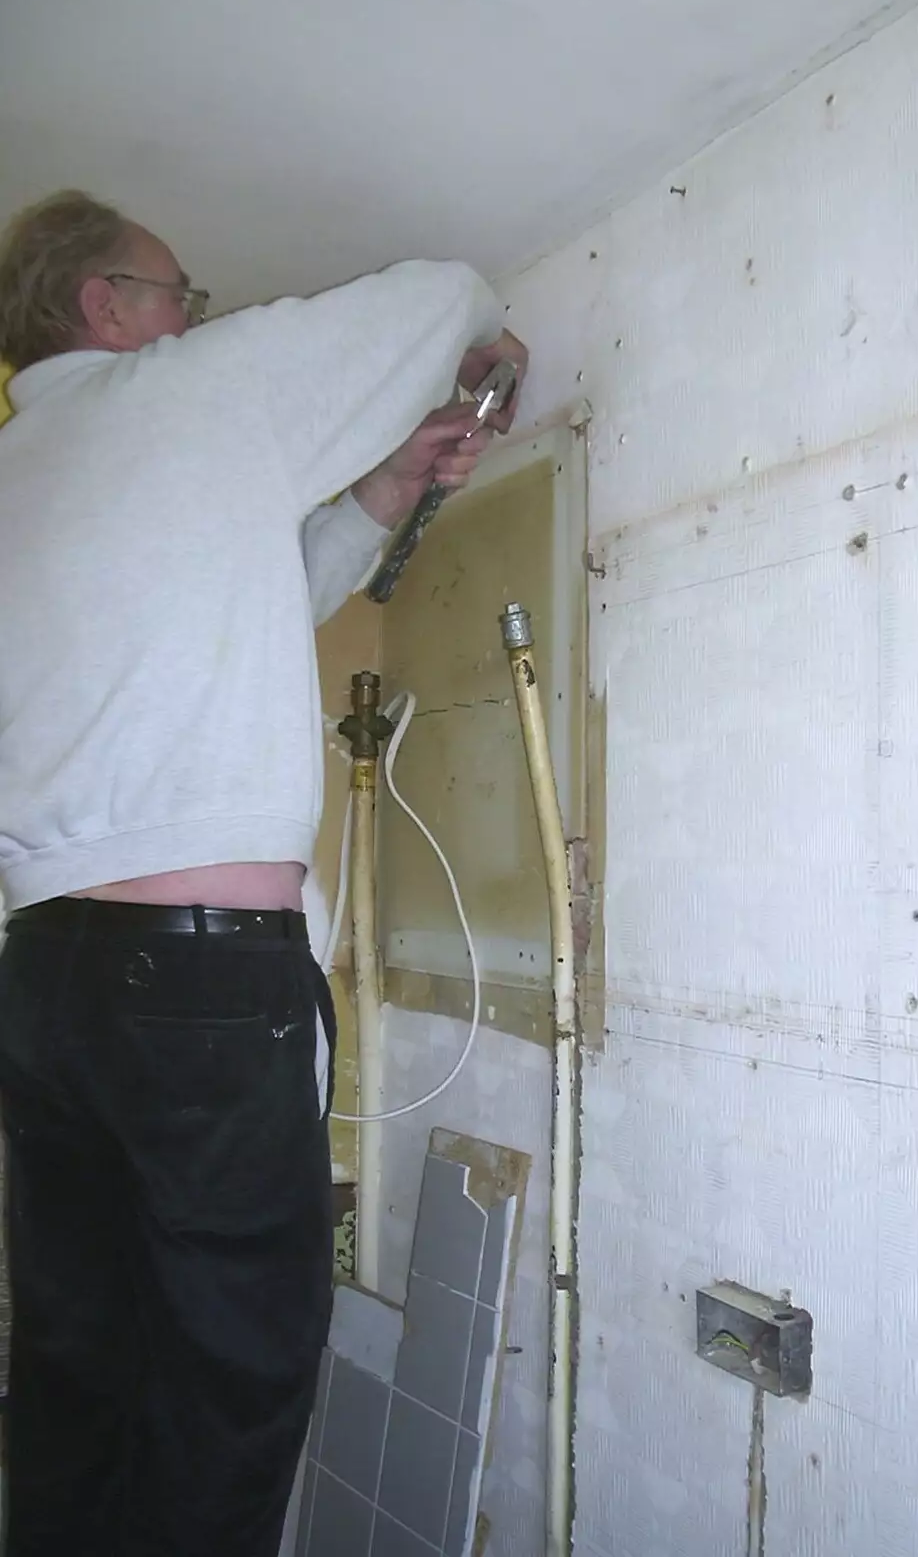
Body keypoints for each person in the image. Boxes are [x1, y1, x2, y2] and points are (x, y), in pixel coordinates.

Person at [0, 189, 528, 1555]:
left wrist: (389, 486)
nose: (197, 316)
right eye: (180, 293)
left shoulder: (26, 477)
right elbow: (447, 280)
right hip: (193, 980)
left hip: (46, 980)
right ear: (105, 308)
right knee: (231, 1361)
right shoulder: (177, 397)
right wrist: (483, 351)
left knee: (82, 1349)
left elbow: (226, 602)